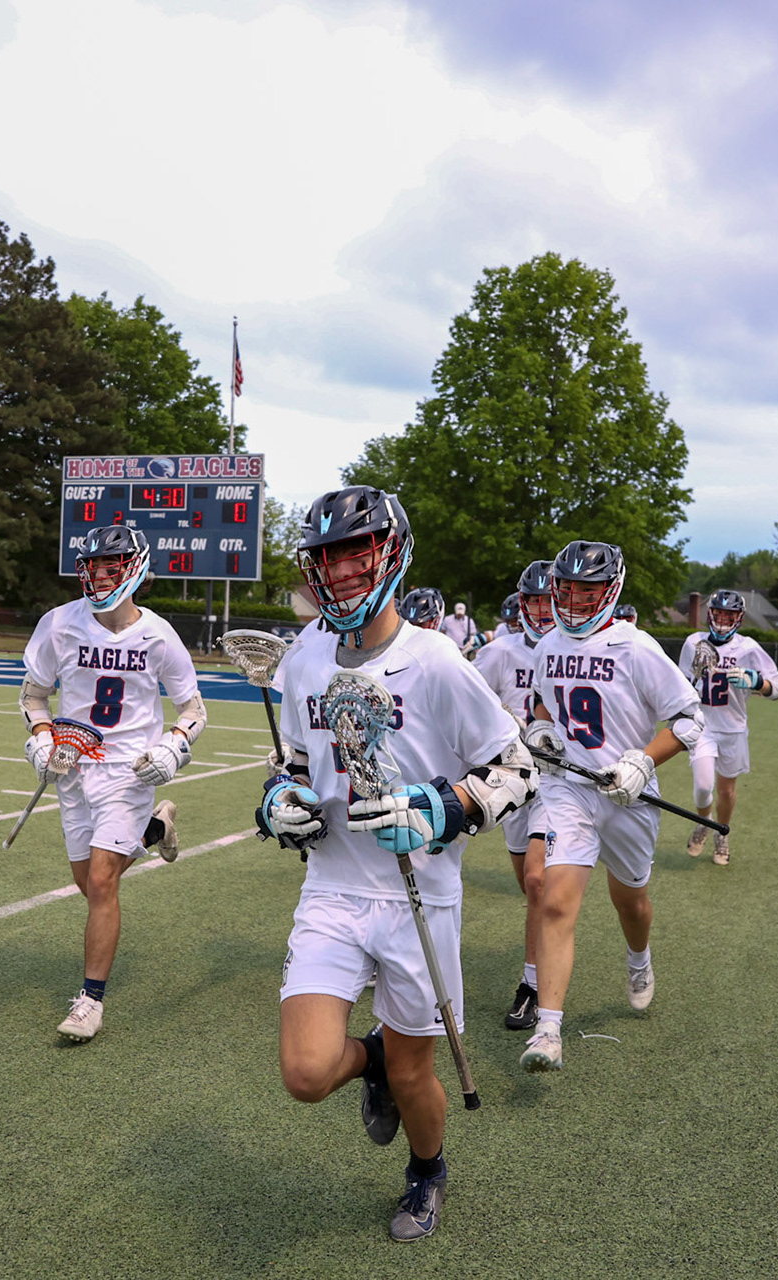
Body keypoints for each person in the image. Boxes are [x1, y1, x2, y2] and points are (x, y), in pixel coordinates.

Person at [257, 485, 537, 1242]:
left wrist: (447, 809)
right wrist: (279, 801)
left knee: (417, 1076)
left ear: (391, 551)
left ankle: (427, 1171)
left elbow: (517, 768)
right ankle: (370, 1058)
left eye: (357, 551)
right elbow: (288, 760)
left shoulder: (437, 661)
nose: (342, 571)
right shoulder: (305, 656)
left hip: (419, 898)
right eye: (326, 557)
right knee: (306, 1073)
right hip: (334, 889)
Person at [518, 540, 704, 1074]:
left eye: (588, 589)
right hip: (569, 790)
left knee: (631, 900)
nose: (575, 599)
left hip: (628, 795)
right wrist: (542, 730)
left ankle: (639, 961)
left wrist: (643, 763)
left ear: (611, 590)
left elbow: (690, 722)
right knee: (555, 899)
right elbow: (542, 701)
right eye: (568, 587)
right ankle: (548, 1029)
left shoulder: (637, 647)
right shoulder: (548, 644)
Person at [19, 525, 204, 1043]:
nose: (101, 576)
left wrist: (172, 747)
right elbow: (34, 696)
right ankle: (154, 828)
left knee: (101, 882)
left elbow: (192, 708)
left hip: (127, 771)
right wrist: (40, 737)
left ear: (136, 569)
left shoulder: (159, 635)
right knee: (88, 882)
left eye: (112, 566)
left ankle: (89, 1001)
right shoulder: (59, 625)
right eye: (95, 566)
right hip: (73, 769)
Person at [468, 561, 555, 1030]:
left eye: (549, 599)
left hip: (559, 784)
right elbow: (460, 700)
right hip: (512, 781)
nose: (542, 609)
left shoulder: (573, 649)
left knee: (540, 883)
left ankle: (533, 985)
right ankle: (549, 942)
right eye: (535, 600)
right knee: (529, 885)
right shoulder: (500, 652)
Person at [678, 589, 778, 864]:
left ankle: (721, 834)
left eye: (730, 614)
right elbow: (679, 685)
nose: (724, 619)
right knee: (703, 786)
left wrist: (757, 681)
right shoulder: (694, 642)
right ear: (710, 614)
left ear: (739, 617)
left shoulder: (748, 648)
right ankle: (704, 821)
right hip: (702, 725)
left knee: (726, 790)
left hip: (733, 728)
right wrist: (695, 678)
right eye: (719, 613)